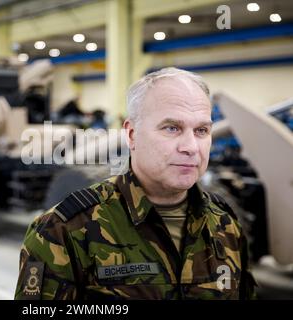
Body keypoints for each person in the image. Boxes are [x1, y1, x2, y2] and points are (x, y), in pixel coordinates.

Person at [14, 67, 257, 300]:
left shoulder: (226, 225)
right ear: (132, 134)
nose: (191, 147)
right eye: (172, 128)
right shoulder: (63, 231)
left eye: (202, 130)